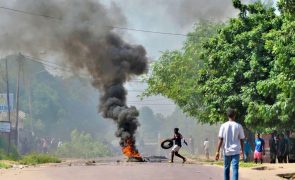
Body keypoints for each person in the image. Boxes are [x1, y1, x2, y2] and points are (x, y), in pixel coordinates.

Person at [216, 108, 245, 180]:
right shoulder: (239, 126)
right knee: (235, 169)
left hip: (226, 151)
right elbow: (242, 139)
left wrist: (217, 151)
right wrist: (242, 151)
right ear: (234, 115)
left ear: (227, 116)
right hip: (236, 151)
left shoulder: (223, 126)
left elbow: (220, 139)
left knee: (226, 169)